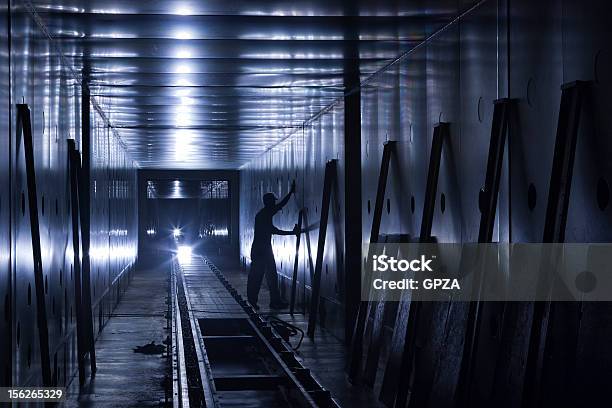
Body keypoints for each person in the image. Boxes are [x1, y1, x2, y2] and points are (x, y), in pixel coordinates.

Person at [248, 180, 299, 310]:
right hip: (261, 250)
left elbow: (281, 204)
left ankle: (274, 301)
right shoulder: (264, 215)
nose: (276, 203)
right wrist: (292, 233)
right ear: (270, 202)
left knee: (270, 275)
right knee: (259, 276)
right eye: (274, 201)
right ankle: (254, 301)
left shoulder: (265, 213)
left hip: (263, 249)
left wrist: (291, 193)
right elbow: (274, 230)